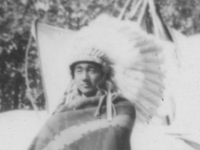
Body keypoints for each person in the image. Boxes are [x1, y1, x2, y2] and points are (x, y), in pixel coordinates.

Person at [29, 46, 136, 150]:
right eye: (79, 71)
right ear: (73, 76)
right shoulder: (62, 113)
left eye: (92, 70)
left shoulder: (121, 108)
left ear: (104, 74)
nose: (84, 77)